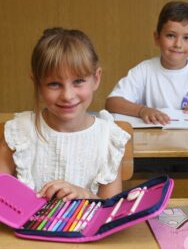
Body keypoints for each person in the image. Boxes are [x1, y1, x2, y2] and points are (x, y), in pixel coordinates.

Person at [0, 28, 130, 201]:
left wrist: (85, 195)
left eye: (78, 81)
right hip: (24, 228)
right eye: (54, 84)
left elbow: (109, 211)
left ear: (96, 79)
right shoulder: (19, 132)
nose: (67, 96)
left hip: (84, 228)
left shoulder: (108, 138)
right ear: (37, 84)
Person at [105, 1, 188, 125]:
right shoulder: (144, 70)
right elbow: (112, 102)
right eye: (170, 36)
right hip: (155, 139)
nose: (178, 44)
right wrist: (142, 110)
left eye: (187, 38)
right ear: (157, 38)